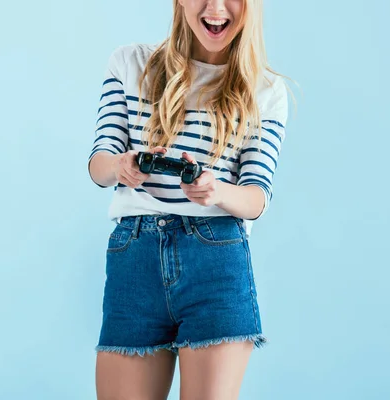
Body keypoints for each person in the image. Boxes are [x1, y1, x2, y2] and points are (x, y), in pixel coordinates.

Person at [88, 0, 291, 398]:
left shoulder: (266, 90)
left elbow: (255, 197)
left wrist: (215, 190)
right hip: (135, 259)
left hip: (216, 262)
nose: (215, 7)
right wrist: (123, 166)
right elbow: (99, 164)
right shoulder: (129, 64)